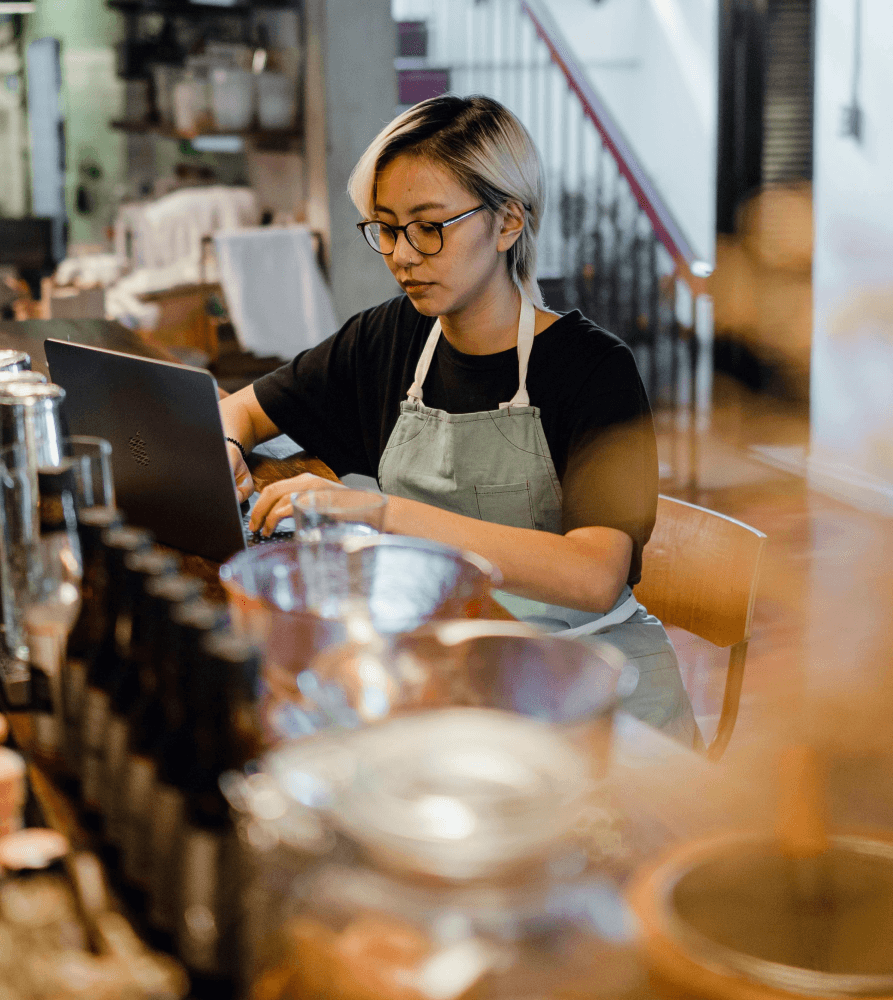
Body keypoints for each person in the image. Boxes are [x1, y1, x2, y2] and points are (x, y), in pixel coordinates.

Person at [219, 95, 698, 743]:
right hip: (459, 672)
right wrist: (226, 440)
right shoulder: (389, 339)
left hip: (592, 685)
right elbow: (243, 409)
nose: (402, 255)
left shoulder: (593, 369)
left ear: (508, 222)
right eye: (387, 228)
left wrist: (380, 515)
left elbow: (591, 575)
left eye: (429, 226)